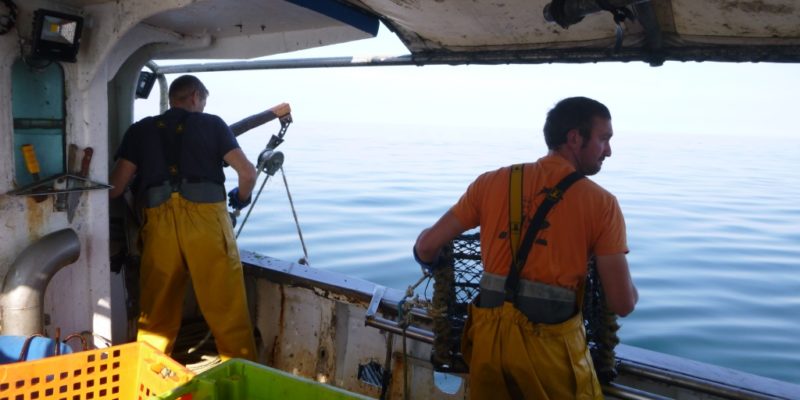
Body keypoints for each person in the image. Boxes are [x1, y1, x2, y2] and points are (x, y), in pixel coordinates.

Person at [413, 96, 638, 399]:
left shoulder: (489, 183)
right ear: (574, 138)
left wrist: (429, 262)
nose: (609, 151)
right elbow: (622, 303)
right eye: (604, 139)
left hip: (489, 344)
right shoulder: (602, 204)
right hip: (552, 351)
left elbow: (426, 246)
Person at [109, 75, 287, 361]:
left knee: (155, 316)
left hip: (158, 223)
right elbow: (248, 173)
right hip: (206, 222)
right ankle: (240, 378)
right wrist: (241, 197)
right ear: (195, 97)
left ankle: (148, 384)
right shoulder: (213, 124)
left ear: (173, 99)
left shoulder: (139, 130)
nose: (202, 106)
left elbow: (115, 188)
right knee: (226, 311)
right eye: (202, 101)